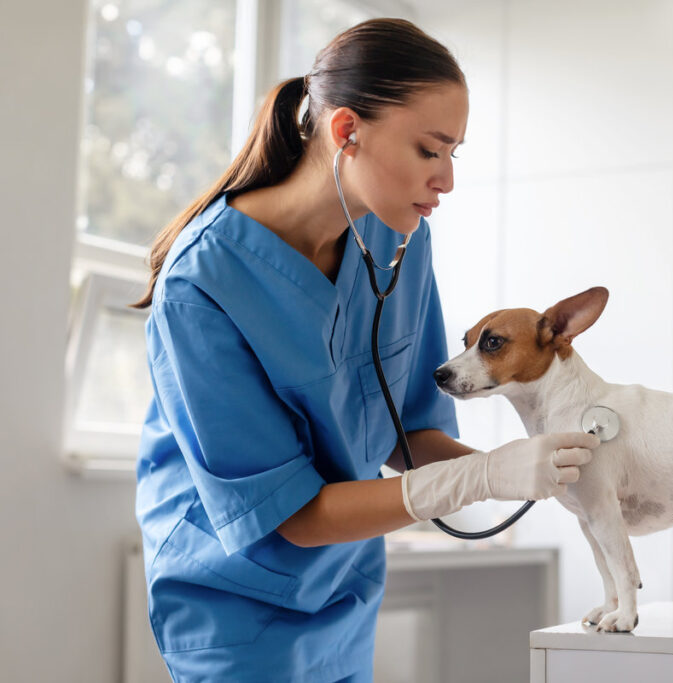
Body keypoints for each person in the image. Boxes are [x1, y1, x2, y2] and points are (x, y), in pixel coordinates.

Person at [133, 18, 598, 683]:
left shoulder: (399, 239)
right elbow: (293, 515)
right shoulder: (204, 283)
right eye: (429, 150)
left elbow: (408, 432)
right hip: (237, 606)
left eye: (454, 154)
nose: (447, 180)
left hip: (346, 590)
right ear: (347, 130)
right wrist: (488, 476)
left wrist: (535, 470)